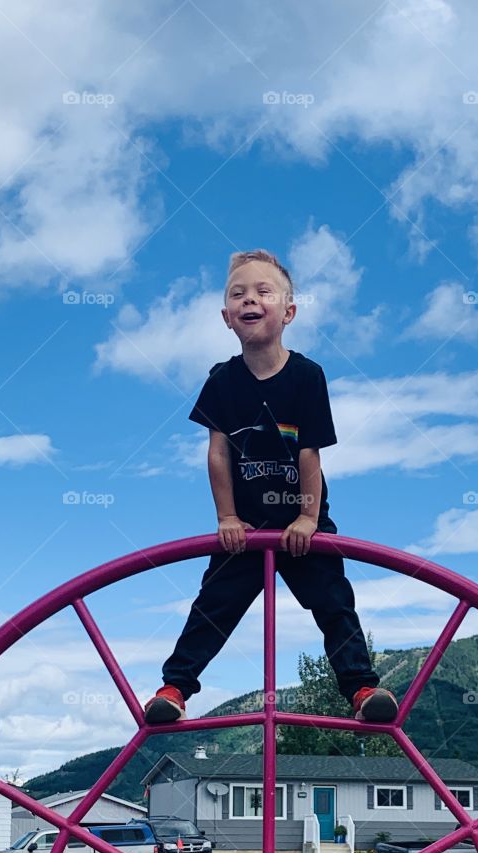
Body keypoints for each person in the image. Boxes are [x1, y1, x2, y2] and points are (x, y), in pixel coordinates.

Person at [143, 248, 398, 726]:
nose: (250, 300)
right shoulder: (221, 380)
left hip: (303, 519)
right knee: (213, 605)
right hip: (245, 524)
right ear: (226, 317)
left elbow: (309, 453)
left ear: (289, 311)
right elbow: (218, 453)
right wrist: (225, 518)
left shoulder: (306, 376)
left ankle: (362, 688)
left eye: (263, 291)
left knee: (333, 601)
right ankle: (174, 688)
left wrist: (306, 517)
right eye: (238, 294)